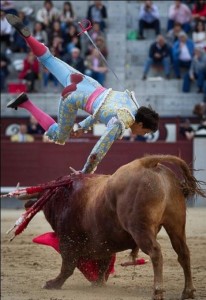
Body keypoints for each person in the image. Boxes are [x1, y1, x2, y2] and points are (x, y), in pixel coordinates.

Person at [6, 13, 159, 174]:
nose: (144, 134)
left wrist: (81, 126)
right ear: (141, 124)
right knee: (59, 136)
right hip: (75, 97)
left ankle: (28, 38)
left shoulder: (132, 103)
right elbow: (98, 150)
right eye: (146, 131)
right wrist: (86, 172)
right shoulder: (121, 124)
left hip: (87, 83)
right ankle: (26, 103)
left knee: (48, 59)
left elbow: (102, 111)